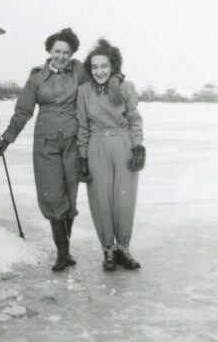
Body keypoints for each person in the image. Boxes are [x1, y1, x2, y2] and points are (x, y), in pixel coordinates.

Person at [0, 28, 124, 272]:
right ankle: (62, 253)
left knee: (69, 199)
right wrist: (6, 140)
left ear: (72, 54)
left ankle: (66, 249)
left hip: (73, 143)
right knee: (53, 198)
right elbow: (23, 112)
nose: (61, 56)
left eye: (66, 52)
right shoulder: (37, 79)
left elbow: (99, 77)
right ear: (49, 51)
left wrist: (115, 80)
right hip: (46, 145)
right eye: (57, 51)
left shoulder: (79, 71)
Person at [76, 38, 145, 271]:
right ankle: (108, 250)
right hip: (97, 145)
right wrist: (83, 158)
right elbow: (83, 127)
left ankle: (123, 248)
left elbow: (134, 119)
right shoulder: (84, 91)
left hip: (123, 144)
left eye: (104, 66)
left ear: (113, 65)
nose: (99, 71)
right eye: (94, 67)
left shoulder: (126, 87)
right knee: (101, 199)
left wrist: (138, 146)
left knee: (124, 200)